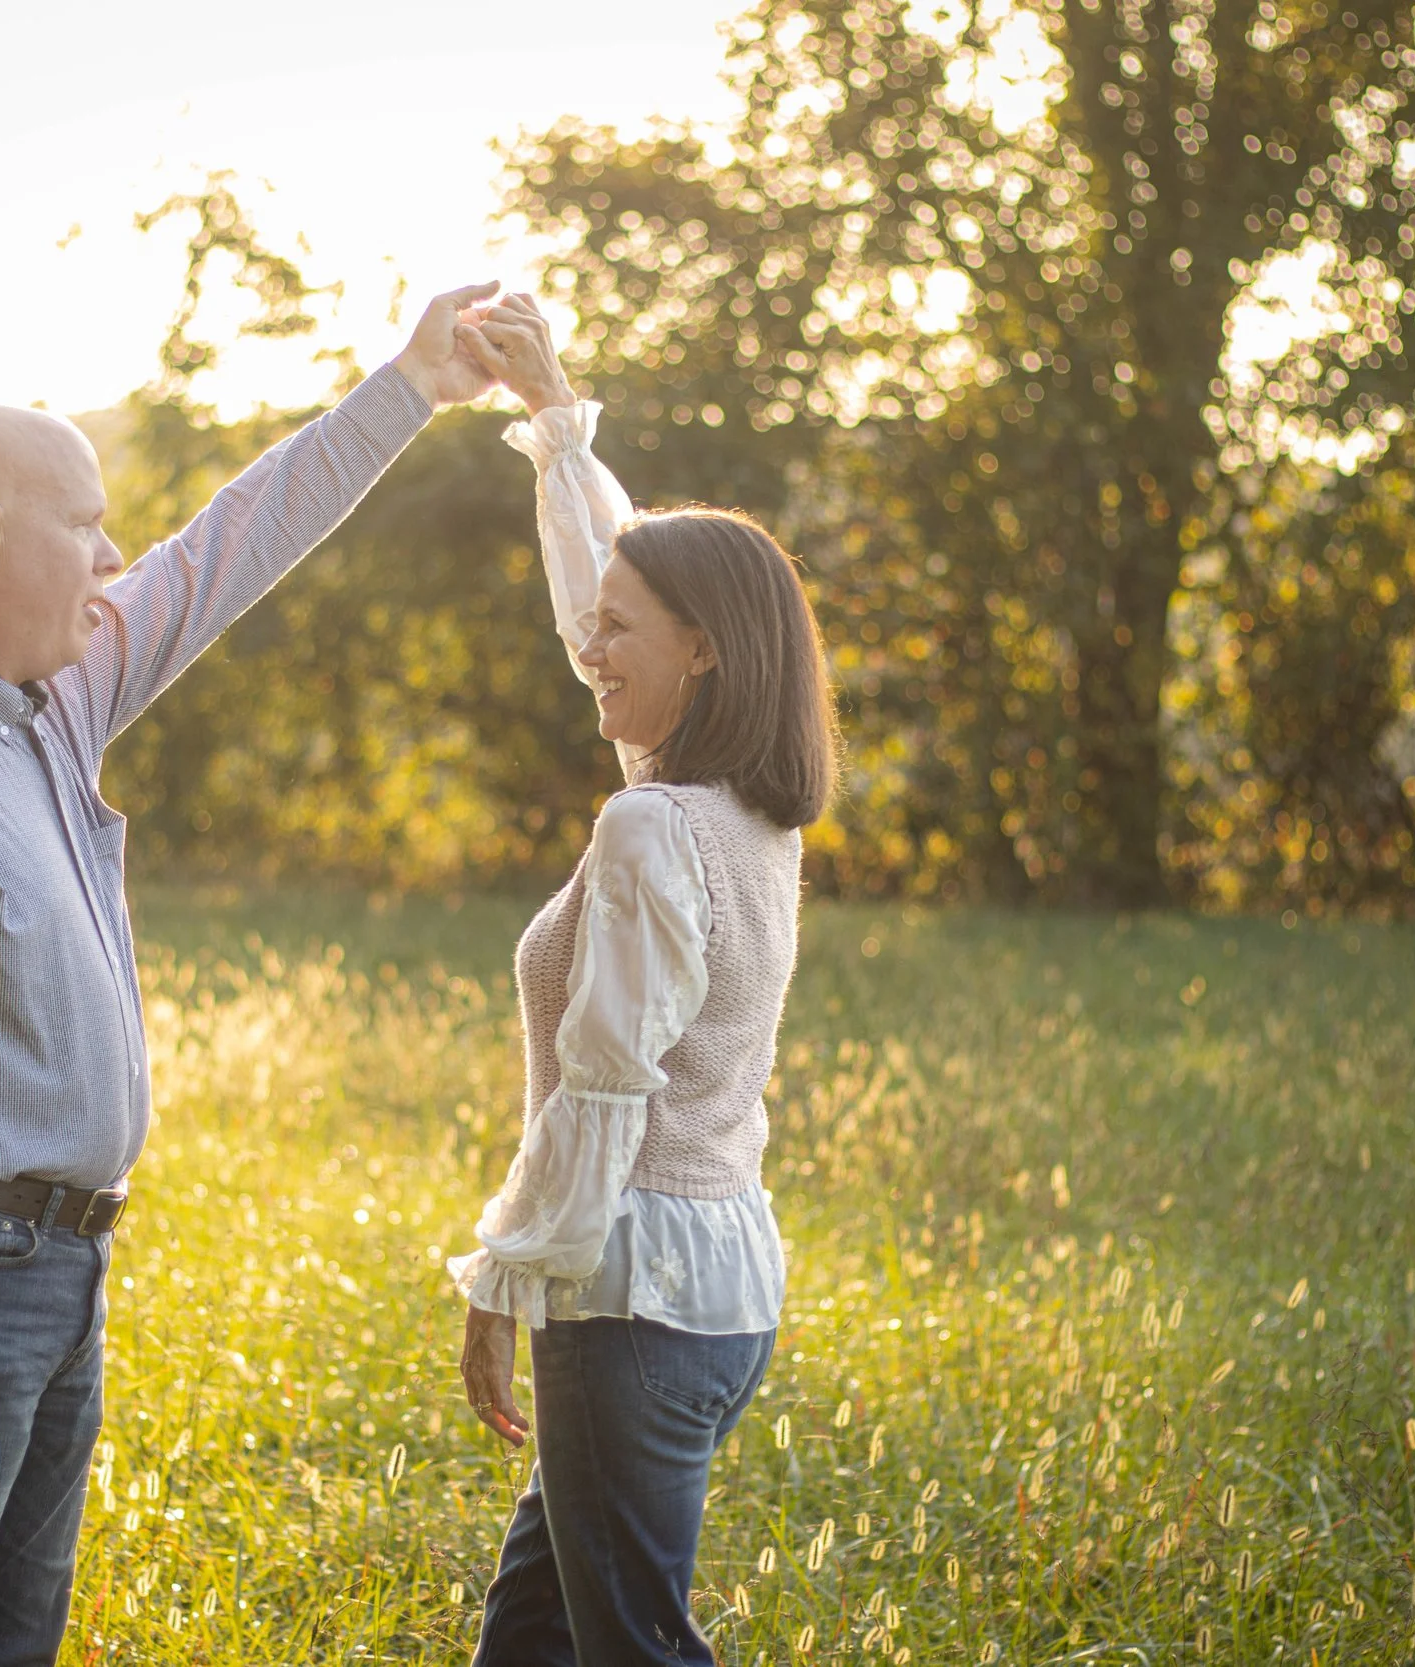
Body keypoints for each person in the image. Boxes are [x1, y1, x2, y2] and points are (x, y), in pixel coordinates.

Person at [0, 281, 502, 1667]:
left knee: (10, 1643)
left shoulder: (55, 700)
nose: (113, 556)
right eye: (84, 523)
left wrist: (410, 384)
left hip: (63, 1263)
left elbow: (230, 545)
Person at [450, 294, 840, 1667]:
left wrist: (502, 1277)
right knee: (533, 1634)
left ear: (705, 650)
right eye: (593, 629)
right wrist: (559, 427)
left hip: (629, 1301)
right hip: (717, 1287)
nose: (588, 650)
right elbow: (594, 589)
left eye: (622, 635)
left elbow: (604, 1093)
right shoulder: (739, 810)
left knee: (632, 1647)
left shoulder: (653, 828)